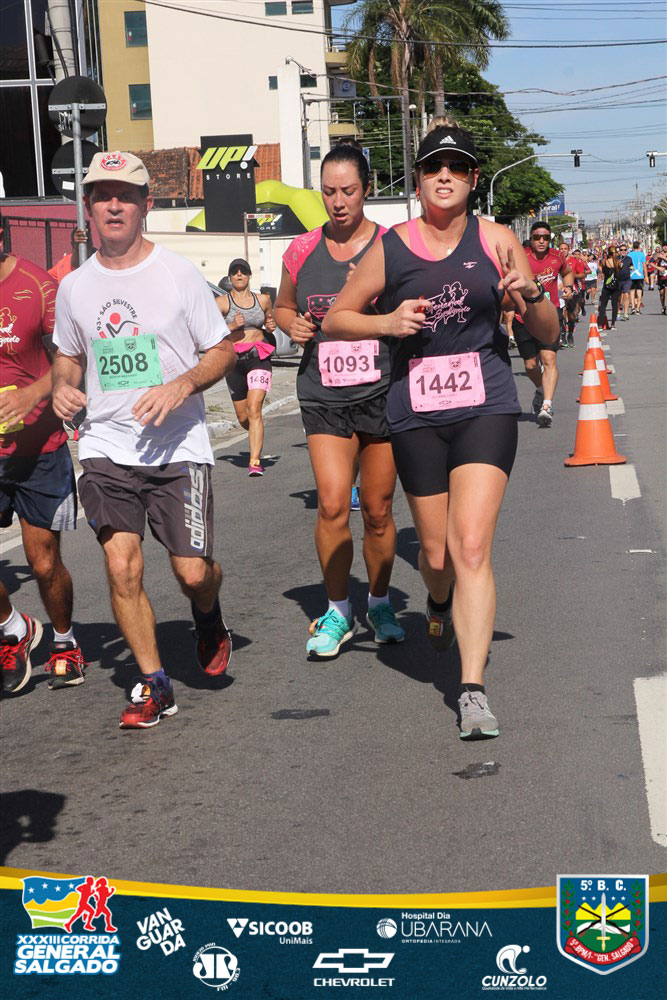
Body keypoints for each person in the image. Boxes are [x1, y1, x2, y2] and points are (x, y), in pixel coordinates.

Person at [324, 120, 559, 739]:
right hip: (416, 415)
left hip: (486, 406)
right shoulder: (392, 247)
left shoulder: (498, 240)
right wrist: (386, 323)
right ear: (418, 180)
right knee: (436, 556)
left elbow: (550, 333)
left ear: (474, 179)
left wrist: (531, 291)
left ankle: (472, 689)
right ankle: (436, 599)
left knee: (471, 547)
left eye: (456, 167)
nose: (445, 176)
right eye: (433, 167)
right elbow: (337, 319)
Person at [51, 151, 236, 728]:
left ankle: (208, 613)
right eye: (102, 195)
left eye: (125, 195)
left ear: (145, 205)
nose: (113, 205)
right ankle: (155, 683)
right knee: (121, 565)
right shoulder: (74, 287)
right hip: (107, 445)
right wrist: (62, 387)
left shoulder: (178, 274)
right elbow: (68, 355)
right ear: (87, 207)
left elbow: (223, 350)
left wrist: (182, 385)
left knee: (192, 573)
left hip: (177, 448)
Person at [274, 141, 404, 657]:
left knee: (377, 510)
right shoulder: (302, 250)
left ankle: (379, 602)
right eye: (328, 191)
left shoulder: (392, 246)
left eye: (348, 190)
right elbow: (282, 306)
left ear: (366, 189)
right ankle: (338, 610)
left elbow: (414, 308)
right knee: (332, 504)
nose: (338, 201)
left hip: (383, 390)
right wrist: (292, 324)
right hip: (323, 392)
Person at [0, 213, 86, 694]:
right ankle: (13, 628)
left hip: (39, 448)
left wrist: (30, 395)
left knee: (44, 562)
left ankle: (64, 640)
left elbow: (70, 362)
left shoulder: (39, 286)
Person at [217, 258, 276, 476]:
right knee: (243, 417)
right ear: (230, 277)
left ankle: (254, 461)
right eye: (235, 272)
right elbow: (210, 332)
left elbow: (270, 322)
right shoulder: (222, 303)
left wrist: (271, 326)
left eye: (243, 271)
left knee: (254, 408)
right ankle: (255, 433)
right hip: (234, 361)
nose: (239, 275)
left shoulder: (263, 300)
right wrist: (232, 325)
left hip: (259, 357)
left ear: (250, 275)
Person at [513, 222, 573, 427]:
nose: (541, 241)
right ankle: (540, 389)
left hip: (550, 316)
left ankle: (546, 406)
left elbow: (567, 273)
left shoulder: (557, 257)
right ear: (530, 238)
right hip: (524, 316)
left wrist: (568, 286)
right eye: (537, 237)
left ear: (550, 239)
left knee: (549, 359)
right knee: (531, 365)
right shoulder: (521, 257)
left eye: (545, 237)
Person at [597, 246, 621, 331]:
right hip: (616, 286)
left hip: (606, 285)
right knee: (615, 305)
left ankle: (600, 325)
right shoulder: (618, 262)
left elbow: (601, 269)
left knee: (603, 305)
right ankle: (613, 324)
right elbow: (620, 270)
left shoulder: (604, 261)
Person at [628, 240, 648, 315]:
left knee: (632, 292)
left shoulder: (629, 254)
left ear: (633, 247)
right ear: (639, 247)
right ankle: (638, 309)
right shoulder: (642, 254)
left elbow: (628, 265)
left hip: (631, 275)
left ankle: (633, 308)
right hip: (640, 276)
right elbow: (644, 266)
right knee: (639, 292)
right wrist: (646, 276)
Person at [617, 243, 633, 321]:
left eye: (625, 250)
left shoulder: (629, 259)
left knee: (626, 295)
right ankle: (618, 312)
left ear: (627, 251)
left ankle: (625, 314)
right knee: (619, 298)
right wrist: (618, 265)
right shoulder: (616, 258)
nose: (623, 251)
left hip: (627, 280)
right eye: (621, 250)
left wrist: (632, 267)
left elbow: (631, 265)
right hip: (618, 280)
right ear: (619, 251)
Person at [656, 240, 667, 315]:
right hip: (661, 277)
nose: (665, 247)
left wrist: (664, 258)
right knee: (661, 293)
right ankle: (663, 306)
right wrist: (658, 267)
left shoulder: (662, 256)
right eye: (664, 246)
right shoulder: (658, 255)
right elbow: (649, 262)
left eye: (666, 246)